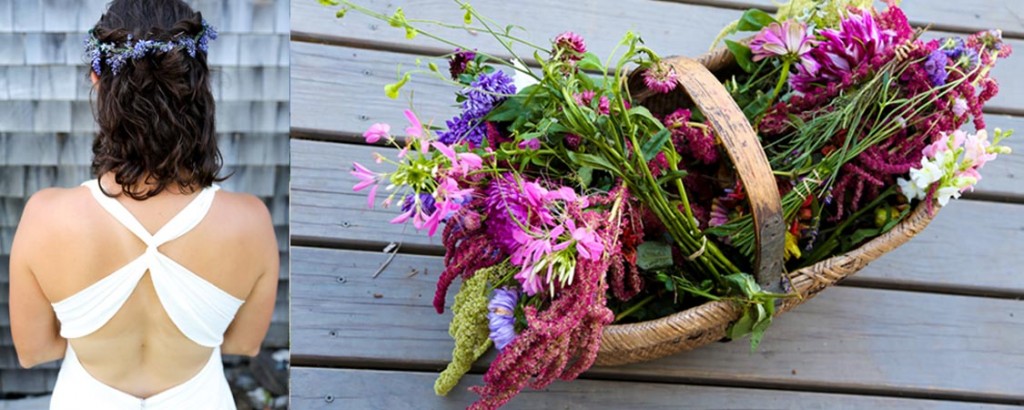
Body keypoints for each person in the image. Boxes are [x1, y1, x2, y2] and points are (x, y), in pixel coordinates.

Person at [8, 1, 279, 408]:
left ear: (97, 80)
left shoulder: (46, 217)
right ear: (197, 83)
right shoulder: (251, 221)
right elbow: (243, 342)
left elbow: (35, 351)